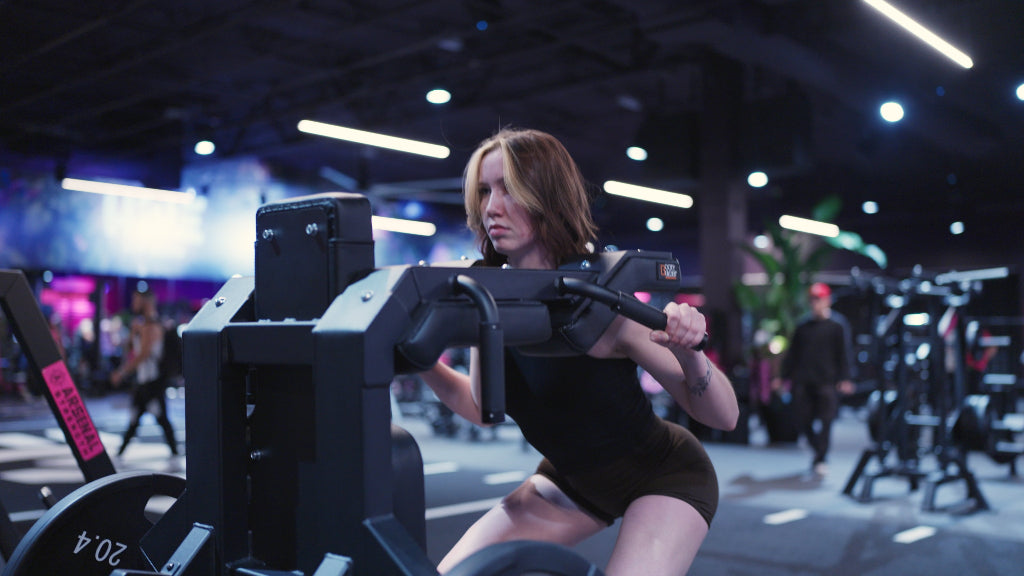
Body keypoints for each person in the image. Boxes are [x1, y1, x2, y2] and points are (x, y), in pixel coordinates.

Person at [419, 128, 739, 576]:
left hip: (664, 474)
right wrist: (424, 362)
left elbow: (723, 417)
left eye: (509, 189)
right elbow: (479, 406)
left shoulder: (601, 306)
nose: (492, 207)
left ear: (546, 197)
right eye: (485, 191)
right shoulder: (488, 297)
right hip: (570, 482)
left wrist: (691, 353)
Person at [774, 282, 854, 476]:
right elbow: (792, 354)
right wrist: (781, 377)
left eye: (818, 299)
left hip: (827, 381)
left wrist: (845, 378)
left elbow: (844, 353)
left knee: (827, 420)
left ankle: (821, 458)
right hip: (803, 381)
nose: (814, 303)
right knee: (802, 419)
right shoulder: (803, 326)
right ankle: (818, 448)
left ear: (827, 301)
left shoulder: (837, 326)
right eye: (812, 299)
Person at [110, 285, 179, 459]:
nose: (133, 303)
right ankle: (121, 452)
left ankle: (176, 452)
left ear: (146, 301)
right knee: (139, 418)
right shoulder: (142, 325)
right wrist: (133, 334)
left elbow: (143, 355)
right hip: (144, 381)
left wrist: (122, 373)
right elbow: (130, 349)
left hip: (152, 381)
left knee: (158, 417)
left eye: (136, 299)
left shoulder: (153, 326)